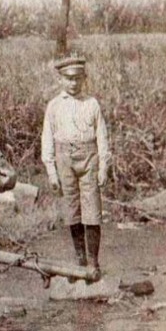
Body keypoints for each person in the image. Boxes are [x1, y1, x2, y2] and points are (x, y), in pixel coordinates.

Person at [41, 53, 111, 280]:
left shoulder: (92, 104)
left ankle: (94, 262)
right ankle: (79, 261)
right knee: (72, 211)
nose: (73, 83)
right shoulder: (53, 106)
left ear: (84, 79)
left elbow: (102, 137)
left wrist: (103, 167)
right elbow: (47, 139)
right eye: (69, 78)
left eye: (78, 78)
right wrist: (51, 172)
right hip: (64, 159)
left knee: (92, 211)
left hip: (89, 157)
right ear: (61, 79)